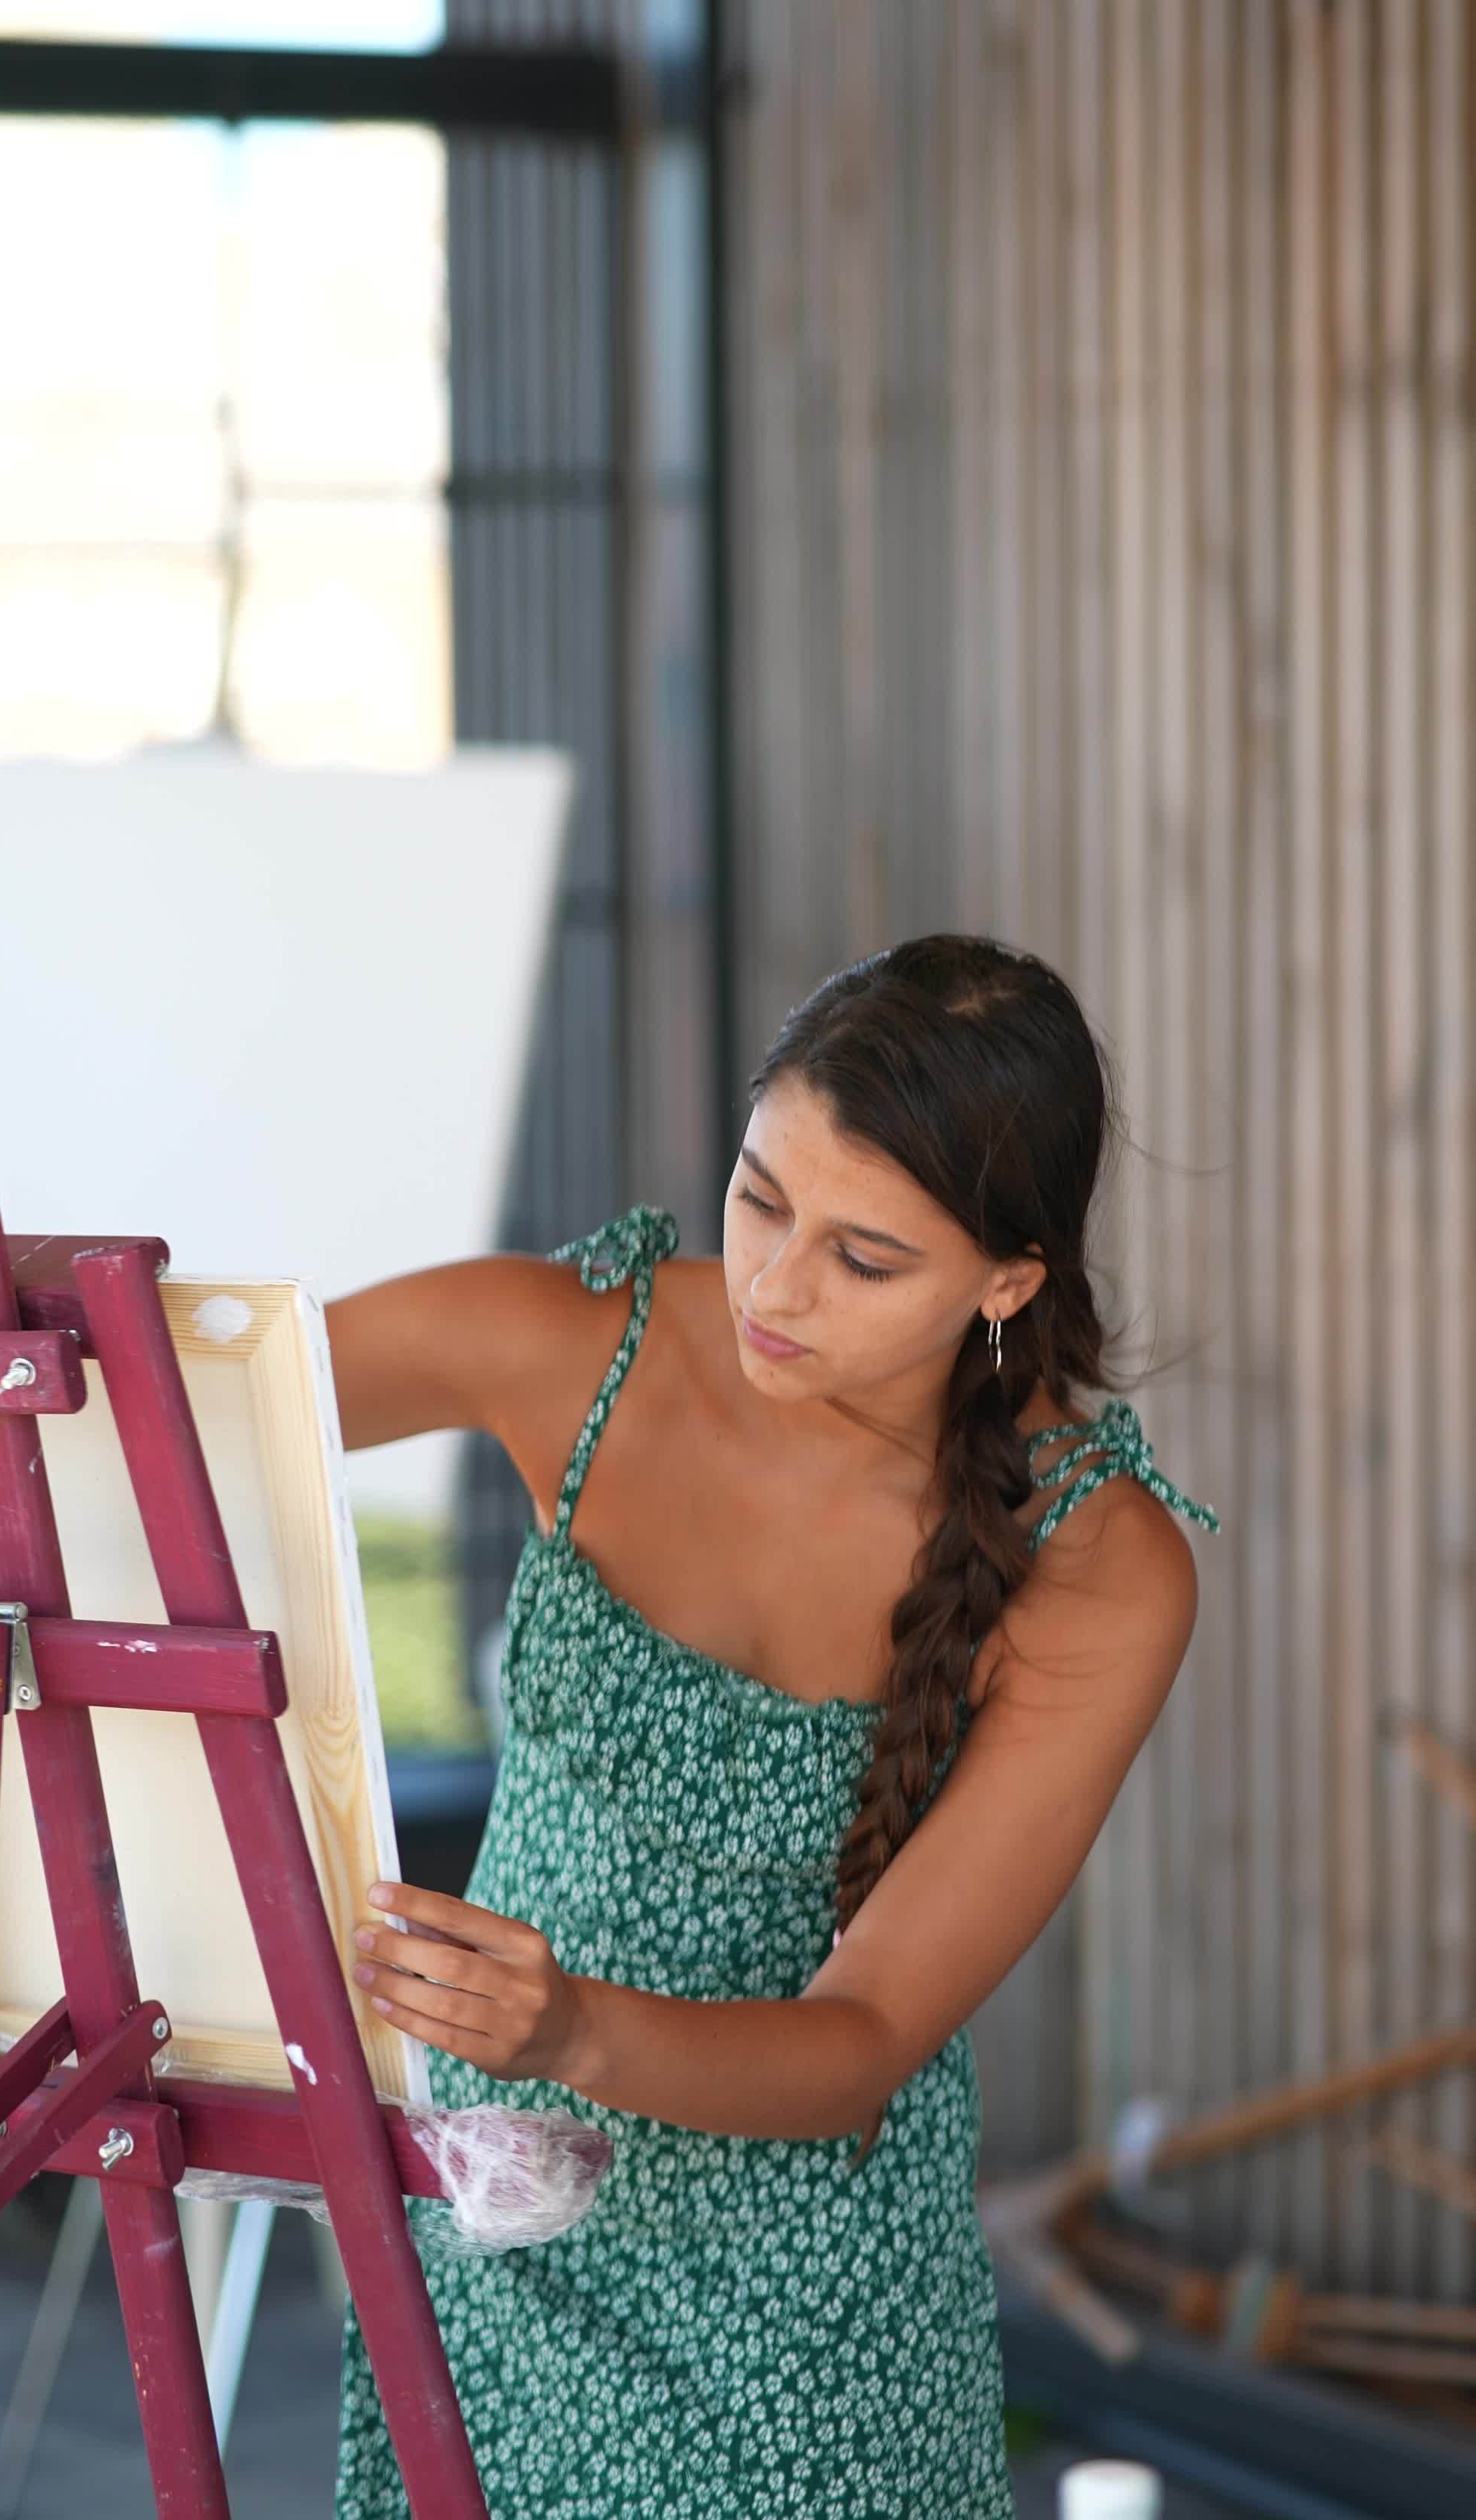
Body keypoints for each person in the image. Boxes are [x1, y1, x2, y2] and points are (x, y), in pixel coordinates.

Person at [324, 934, 1219, 2520]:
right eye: (760, 1197)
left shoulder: (1097, 1560)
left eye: (867, 1261)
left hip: (815, 2337)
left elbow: (867, 2045)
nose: (777, 1288)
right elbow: (158, 1398)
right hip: (497, 2244)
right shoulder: (580, 1348)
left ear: (1009, 1281)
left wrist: (571, 2033)